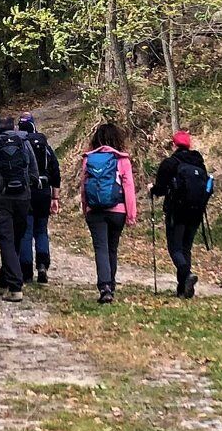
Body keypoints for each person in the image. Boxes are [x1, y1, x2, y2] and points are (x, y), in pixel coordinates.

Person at [0, 116, 39, 303]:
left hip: (2, 197)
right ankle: (4, 281)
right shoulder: (23, 142)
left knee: (6, 239)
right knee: (16, 239)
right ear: (13, 127)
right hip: (23, 196)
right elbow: (33, 170)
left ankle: (14, 285)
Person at [80, 122, 137, 304]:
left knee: (101, 248)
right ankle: (110, 285)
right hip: (118, 210)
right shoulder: (122, 160)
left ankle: (104, 286)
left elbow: (83, 187)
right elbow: (128, 188)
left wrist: (85, 208)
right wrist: (131, 214)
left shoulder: (89, 159)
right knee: (112, 247)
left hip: (95, 210)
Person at [150, 129, 210, 299]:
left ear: (174, 144)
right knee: (186, 249)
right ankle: (182, 289)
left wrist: (152, 189)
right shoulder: (199, 163)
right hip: (196, 212)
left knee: (175, 248)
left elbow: (160, 189)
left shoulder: (170, 163)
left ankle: (187, 275)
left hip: (177, 212)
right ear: (189, 144)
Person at [17, 113, 60, 284]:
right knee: (41, 230)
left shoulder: (21, 145)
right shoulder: (45, 146)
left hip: (26, 192)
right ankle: (42, 264)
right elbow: (56, 173)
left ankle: (26, 271)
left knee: (26, 231)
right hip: (44, 192)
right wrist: (55, 198)